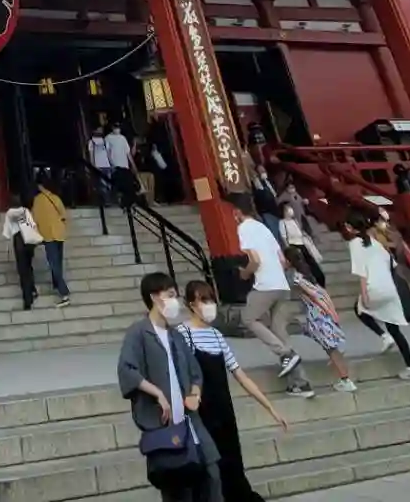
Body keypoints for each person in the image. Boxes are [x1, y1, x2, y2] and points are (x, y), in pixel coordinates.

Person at [117, 272, 219, 502]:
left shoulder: (176, 335)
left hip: (190, 420)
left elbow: (195, 373)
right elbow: (127, 370)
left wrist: (195, 394)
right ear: (155, 297)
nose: (175, 301)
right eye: (170, 295)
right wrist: (158, 394)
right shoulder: (138, 332)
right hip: (163, 424)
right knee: (176, 486)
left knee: (211, 474)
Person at [181, 280, 285, 502]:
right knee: (209, 468)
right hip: (200, 412)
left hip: (224, 411)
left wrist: (270, 407)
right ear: (191, 304)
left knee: (232, 465)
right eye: (203, 300)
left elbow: (240, 375)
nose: (209, 305)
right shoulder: (183, 334)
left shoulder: (216, 335)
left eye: (211, 299)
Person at [232, 194, 304, 384]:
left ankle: (285, 353)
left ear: (238, 212)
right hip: (282, 285)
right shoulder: (263, 227)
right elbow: (282, 260)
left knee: (248, 318)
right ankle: (300, 382)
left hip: (265, 285)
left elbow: (254, 260)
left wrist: (244, 273)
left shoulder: (244, 228)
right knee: (279, 331)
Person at [345, 215, 410, 380]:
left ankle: (383, 335)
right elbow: (391, 263)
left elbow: (361, 272)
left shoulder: (354, 244)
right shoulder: (376, 243)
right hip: (390, 288)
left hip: (373, 287)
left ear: (349, 228)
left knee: (359, 309)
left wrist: (364, 293)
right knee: (395, 329)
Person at [282, 258, 355, 395]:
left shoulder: (297, 278)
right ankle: (344, 377)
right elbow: (321, 293)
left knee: (331, 348)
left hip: (318, 316)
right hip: (320, 315)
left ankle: (345, 379)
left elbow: (314, 295)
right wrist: (331, 311)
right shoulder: (307, 276)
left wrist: (328, 311)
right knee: (329, 346)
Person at [32, 171, 74, 306]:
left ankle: (64, 293)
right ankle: (56, 284)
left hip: (48, 235)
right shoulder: (55, 197)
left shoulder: (38, 200)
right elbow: (63, 214)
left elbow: (34, 219)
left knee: (53, 264)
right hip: (59, 233)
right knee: (58, 262)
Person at [277, 208, 323, 288]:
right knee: (301, 265)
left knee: (311, 262)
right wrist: (288, 248)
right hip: (293, 244)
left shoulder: (295, 221)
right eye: (287, 210)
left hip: (302, 243)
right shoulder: (282, 222)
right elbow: (284, 236)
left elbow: (300, 231)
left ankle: (318, 280)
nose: (290, 211)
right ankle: (308, 281)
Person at [105, 123, 138, 201]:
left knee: (126, 183)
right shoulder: (108, 138)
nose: (117, 129)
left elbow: (128, 153)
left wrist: (133, 164)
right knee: (117, 183)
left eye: (118, 128)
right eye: (116, 127)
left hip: (124, 165)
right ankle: (116, 199)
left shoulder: (122, 138)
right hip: (115, 165)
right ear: (112, 128)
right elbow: (107, 152)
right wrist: (111, 163)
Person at [89, 124, 114, 201]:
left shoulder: (105, 141)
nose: (100, 131)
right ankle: (105, 200)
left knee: (108, 184)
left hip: (107, 166)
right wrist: (93, 165)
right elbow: (91, 155)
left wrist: (112, 164)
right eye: (99, 129)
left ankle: (108, 199)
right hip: (99, 166)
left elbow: (109, 154)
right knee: (102, 185)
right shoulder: (91, 142)